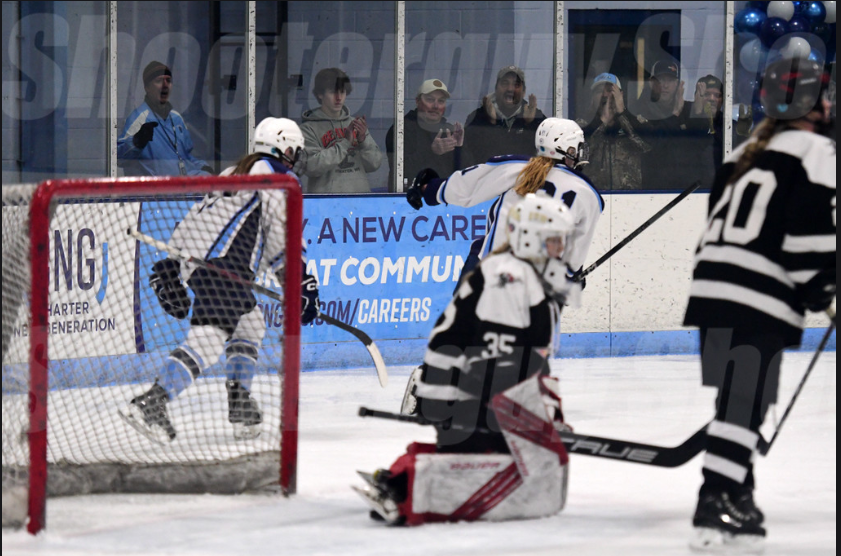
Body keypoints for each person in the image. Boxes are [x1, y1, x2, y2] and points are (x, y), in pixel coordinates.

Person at [683, 58, 835, 551]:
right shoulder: (817, 150)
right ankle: (716, 500)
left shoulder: (743, 151)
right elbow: (807, 232)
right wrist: (824, 291)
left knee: (734, 401)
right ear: (814, 103)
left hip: (711, 293)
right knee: (744, 403)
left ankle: (738, 490)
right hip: (757, 297)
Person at [354, 193, 575, 526]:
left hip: (465, 393)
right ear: (532, 238)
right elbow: (499, 366)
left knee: (522, 465)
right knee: (528, 475)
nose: (562, 249)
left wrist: (543, 411)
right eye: (555, 241)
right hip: (462, 398)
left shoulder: (519, 273)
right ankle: (407, 489)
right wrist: (535, 418)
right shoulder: (509, 278)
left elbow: (525, 361)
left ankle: (406, 476)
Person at [119, 117, 321, 443]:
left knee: (251, 324)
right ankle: (152, 402)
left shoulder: (233, 172)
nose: (294, 158)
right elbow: (281, 235)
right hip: (227, 269)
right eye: (293, 150)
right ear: (284, 147)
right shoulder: (279, 177)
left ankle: (239, 404)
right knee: (208, 340)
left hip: (203, 266)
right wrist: (300, 282)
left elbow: (194, 219)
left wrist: (173, 264)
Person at [401, 117, 604, 413]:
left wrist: (430, 189)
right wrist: (571, 278)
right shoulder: (588, 195)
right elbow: (572, 259)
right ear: (567, 148)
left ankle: (427, 387)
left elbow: (464, 188)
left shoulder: (514, 166)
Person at [118, 61, 213, 177]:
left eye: (168, 80)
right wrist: (136, 141)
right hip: (158, 191)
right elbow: (118, 158)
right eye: (159, 81)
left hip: (185, 190)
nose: (165, 85)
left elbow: (187, 156)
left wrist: (202, 166)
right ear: (147, 87)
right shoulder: (138, 118)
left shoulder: (176, 118)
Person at [299, 67, 382, 193]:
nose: (338, 98)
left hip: (360, 200)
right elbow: (311, 166)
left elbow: (374, 164)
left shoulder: (355, 124)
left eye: (342, 92)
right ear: (320, 94)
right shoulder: (308, 129)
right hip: (326, 203)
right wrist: (345, 143)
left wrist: (363, 141)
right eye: (333, 92)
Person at [576, 73, 651, 190]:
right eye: (599, 91)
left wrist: (622, 113)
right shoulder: (580, 126)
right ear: (592, 98)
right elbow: (578, 156)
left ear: (620, 95)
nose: (605, 95)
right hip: (593, 195)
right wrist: (603, 121)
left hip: (631, 198)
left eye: (610, 90)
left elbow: (646, 146)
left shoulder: (636, 122)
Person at [461, 66, 547, 167]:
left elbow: (544, 158)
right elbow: (470, 157)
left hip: (523, 180)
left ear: (523, 92)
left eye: (516, 84)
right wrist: (491, 123)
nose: (510, 89)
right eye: (505, 83)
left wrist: (530, 124)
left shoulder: (536, 118)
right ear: (496, 89)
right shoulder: (478, 117)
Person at [385, 78, 463, 190]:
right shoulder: (401, 129)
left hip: (445, 199)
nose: (436, 106)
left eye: (441, 101)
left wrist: (459, 148)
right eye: (430, 100)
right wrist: (431, 151)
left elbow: (465, 172)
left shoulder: (449, 132)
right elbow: (400, 170)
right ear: (417, 101)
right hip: (410, 200)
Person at [636, 59, 700, 189]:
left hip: (687, 191)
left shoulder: (688, 110)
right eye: (660, 80)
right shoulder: (639, 111)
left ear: (677, 84)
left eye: (670, 80)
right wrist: (675, 114)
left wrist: (699, 113)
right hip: (651, 190)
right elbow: (652, 144)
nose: (665, 85)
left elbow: (703, 144)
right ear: (651, 83)